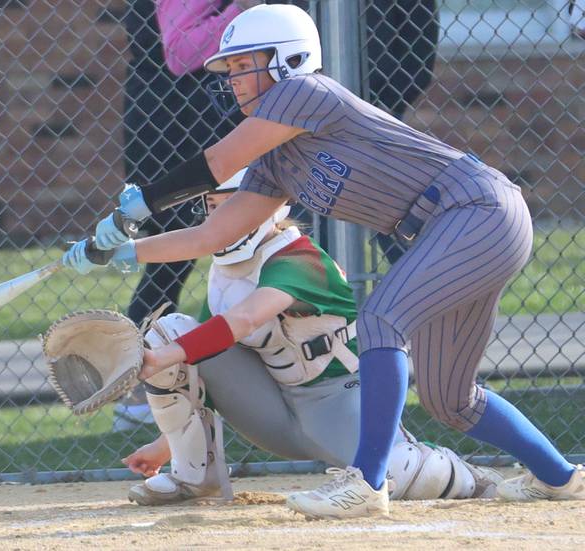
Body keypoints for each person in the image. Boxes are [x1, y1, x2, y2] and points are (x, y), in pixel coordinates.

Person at [65, 4, 584, 519]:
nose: (235, 79)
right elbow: (213, 233)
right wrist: (120, 249)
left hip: (475, 208)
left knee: (382, 319)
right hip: (451, 229)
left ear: (288, 60)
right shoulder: (276, 160)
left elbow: (217, 163)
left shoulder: (304, 91)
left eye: (246, 65)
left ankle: (366, 484)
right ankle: (560, 478)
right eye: (231, 69)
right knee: (451, 399)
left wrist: (143, 203)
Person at [118, 170, 501, 505]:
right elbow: (203, 361)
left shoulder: (298, 258)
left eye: (230, 205)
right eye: (212, 207)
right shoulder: (226, 272)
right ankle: (195, 475)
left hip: (338, 400)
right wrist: (165, 445)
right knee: (169, 332)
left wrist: (161, 359)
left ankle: (473, 478)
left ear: (266, 205)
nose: (219, 218)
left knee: (404, 475)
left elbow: (246, 319)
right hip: (273, 407)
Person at [112, 0, 256, 431]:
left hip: (219, 125)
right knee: (170, 262)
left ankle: (252, 383)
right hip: (174, 129)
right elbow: (181, 53)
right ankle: (141, 390)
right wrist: (247, 11)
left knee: (254, 253)